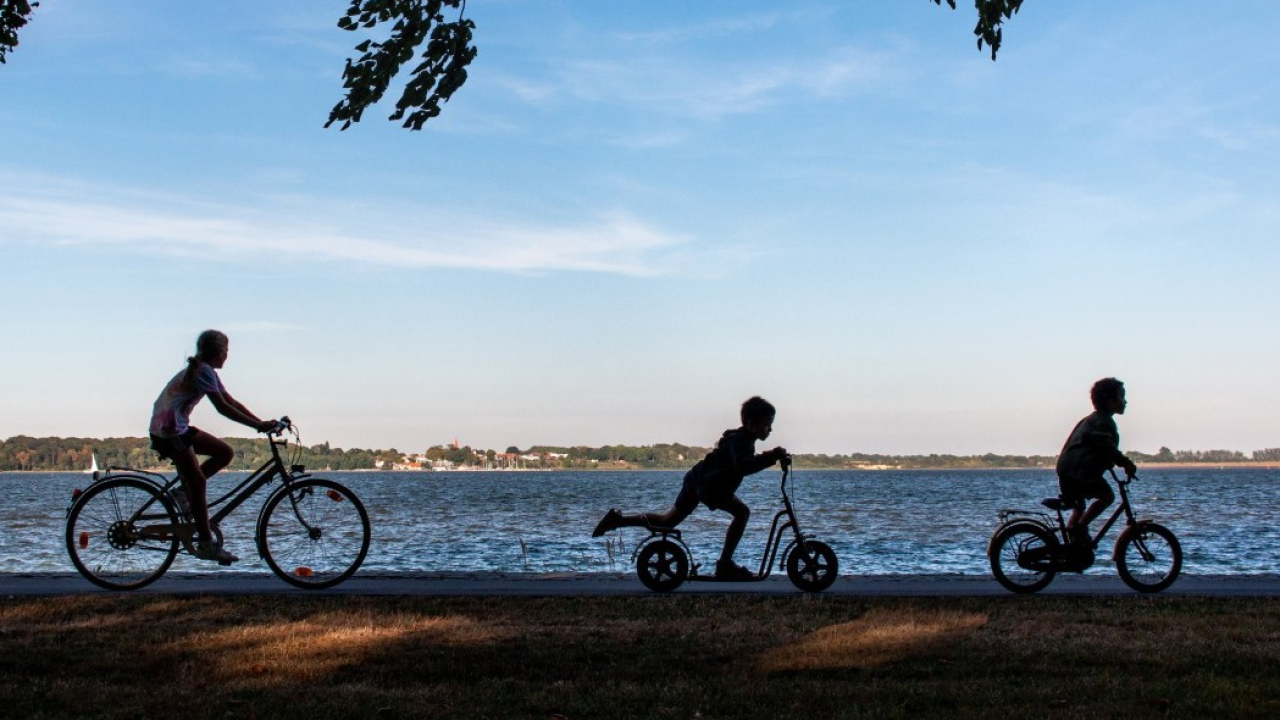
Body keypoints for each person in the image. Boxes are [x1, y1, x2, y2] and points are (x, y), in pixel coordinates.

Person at [591, 396, 787, 580]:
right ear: (752, 424)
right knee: (742, 513)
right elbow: (743, 466)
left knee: (667, 521)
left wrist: (769, 456)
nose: (769, 429)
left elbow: (744, 462)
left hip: (697, 479)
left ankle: (618, 520)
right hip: (710, 486)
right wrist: (770, 457)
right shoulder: (741, 441)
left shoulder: (740, 439)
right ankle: (724, 564)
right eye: (767, 424)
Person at [149, 330, 277, 564]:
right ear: (217, 352)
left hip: (175, 427)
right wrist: (257, 426)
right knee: (197, 482)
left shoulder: (206, 370)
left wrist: (260, 423)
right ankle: (207, 543)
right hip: (169, 430)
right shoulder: (202, 370)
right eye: (226, 350)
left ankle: (181, 493)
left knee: (224, 452)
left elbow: (230, 400)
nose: (228, 355)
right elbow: (223, 408)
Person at [1055, 377, 1137, 553]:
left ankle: (1074, 546)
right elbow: (1106, 447)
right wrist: (1126, 463)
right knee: (1107, 497)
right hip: (1079, 473)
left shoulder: (1092, 419)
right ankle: (1080, 528)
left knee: (1079, 508)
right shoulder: (1102, 421)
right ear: (1110, 401)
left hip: (1068, 472)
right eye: (1121, 397)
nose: (1125, 401)